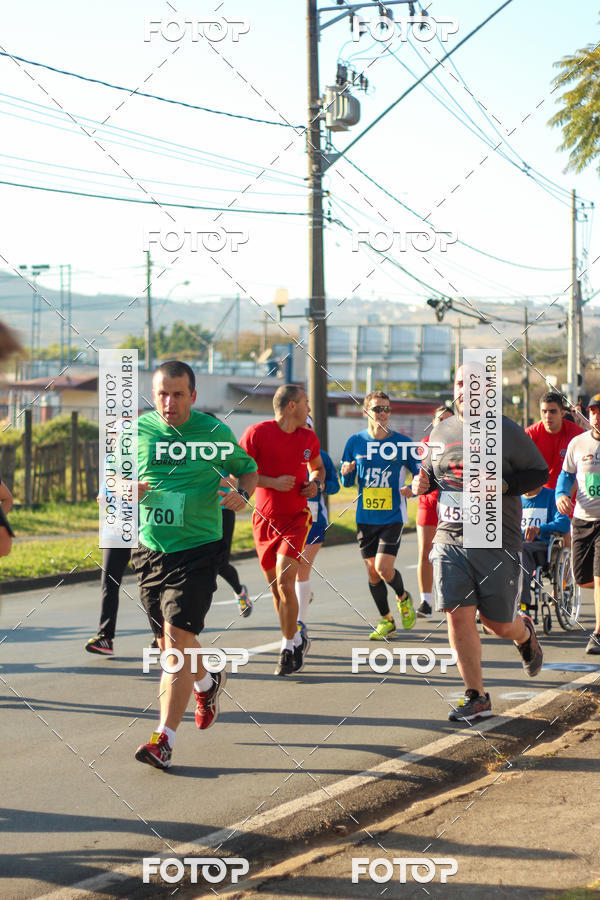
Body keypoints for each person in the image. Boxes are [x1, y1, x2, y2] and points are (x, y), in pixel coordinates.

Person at [132, 360, 258, 769]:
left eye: (178, 394)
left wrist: (242, 494)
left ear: (193, 396)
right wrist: (120, 489)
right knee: (170, 645)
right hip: (150, 549)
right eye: (162, 394)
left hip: (200, 550)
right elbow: (112, 480)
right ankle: (207, 681)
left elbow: (248, 470)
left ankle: (162, 739)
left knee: (175, 643)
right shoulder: (139, 432)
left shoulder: (213, 432)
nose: (168, 402)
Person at [413, 365, 548, 723]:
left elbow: (538, 473)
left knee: (497, 624)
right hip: (450, 536)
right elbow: (432, 474)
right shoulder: (441, 430)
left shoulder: (505, 429)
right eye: (460, 383)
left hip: (495, 538)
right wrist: (421, 484)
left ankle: (523, 633)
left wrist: (502, 487)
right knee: (457, 616)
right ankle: (477, 696)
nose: (464, 391)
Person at [240, 385, 325, 677]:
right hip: (264, 520)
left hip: (296, 519)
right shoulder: (256, 433)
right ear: (291, 406)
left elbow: (318, 467)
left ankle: (287, 647)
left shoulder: (308, 437)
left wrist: (315, 482)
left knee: (286, 582)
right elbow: (240, 474)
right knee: (277, 589)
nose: (309, 409)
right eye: (306, 403)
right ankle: (298, 638)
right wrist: (272, 482)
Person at [340, 391, 419, 640]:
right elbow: (346, 481)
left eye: (386, 409)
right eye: (377, 409)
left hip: (392, 516)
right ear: (366, 412)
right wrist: (346, 471)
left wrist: (413, 488)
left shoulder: (402, 442)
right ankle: (387, 621)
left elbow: (420, 473)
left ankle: (403, 597)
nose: (383, 413)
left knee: (384, 568)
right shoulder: (355, 442)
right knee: (372, 573)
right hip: (365, 517)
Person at [556, 393, 600, 654]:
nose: (596, 416)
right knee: (582, 578)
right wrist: (562, 494)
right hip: (582, 520)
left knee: (599, 575)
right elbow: (566, 474)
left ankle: (597, 633)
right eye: (593, 412)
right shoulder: (578, 444)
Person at [295, 416, 340, 639]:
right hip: (287, 520)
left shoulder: (321, 457)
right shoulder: (285, 453)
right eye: (299, 426)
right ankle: (303, 593)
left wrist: (319, 485)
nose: (303, 430)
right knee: (289, 572)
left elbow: (335, 486)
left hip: (314, 519)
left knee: (302, 568)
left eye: (307, 427)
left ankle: (299, 622)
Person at [416, 404, 454, 618]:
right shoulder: (425, 444)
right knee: (425, 551)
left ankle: (464, 601)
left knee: (457, 553)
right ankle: (425, 601)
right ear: (433, 422)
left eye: (449, 420)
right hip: (428, 502)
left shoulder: (460, 443)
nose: (444, 424)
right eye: (440, 420)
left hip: (453, 502)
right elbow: (421, 472)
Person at [517, 485, 570, 613]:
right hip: (516, 545)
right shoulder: (515, 499)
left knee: (522, 550)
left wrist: (540, 528)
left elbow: (563, 523)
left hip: (542, 547)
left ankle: (523, 606)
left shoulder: (551, 496)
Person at [526, 392, 584, 489]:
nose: (548, 416)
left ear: (562, 413)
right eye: (544, 411)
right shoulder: (530, 435)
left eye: (553, 411)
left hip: (569, 497)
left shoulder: (577, 434)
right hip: (540, 496)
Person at [85, 547, 132, 655]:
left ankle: (161, 634)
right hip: (116, 533)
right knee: (109, 582)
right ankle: (105, 637)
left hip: (145, 531)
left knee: (150, 585)